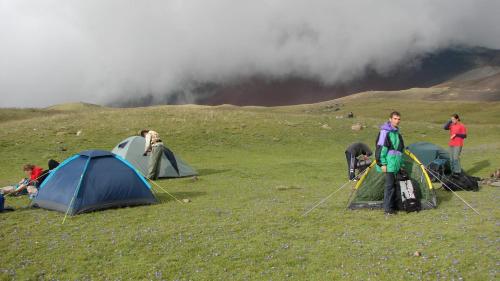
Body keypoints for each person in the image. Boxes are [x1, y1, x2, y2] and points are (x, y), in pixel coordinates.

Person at [375, 111, 405, 215]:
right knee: (389, 187)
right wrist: (382, 164)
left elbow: (400, 151)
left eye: (398, 119)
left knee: (395, 186)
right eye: (395, 118)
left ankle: (394, 207)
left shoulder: (397, 134)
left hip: (396, 165)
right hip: (388, 164)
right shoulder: (385, 132)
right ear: (390, 119)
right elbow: (380, 149)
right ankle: (387, 210)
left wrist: (401, 165)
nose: (397, 121)